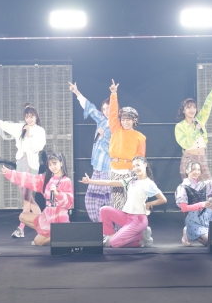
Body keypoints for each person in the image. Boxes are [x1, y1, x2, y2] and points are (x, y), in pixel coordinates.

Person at [0, 103, 46, 238]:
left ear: (36, 117)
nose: (29, 119)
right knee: (29, 199)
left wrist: (28, 135)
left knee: (26, 199)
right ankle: (44, 225)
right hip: (21, 164)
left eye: (31, 116)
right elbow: (2, 124)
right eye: (27, 117)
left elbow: (38, 147)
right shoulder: (20, 128)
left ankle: (21, 228)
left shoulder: (39, 131)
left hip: (31, 166)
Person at [79, 156, 166, 248]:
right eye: (133, 166)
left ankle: (141, 235)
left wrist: (149, 204)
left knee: (114, 243)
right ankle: (110, 237)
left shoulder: (148, 183)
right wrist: (90, 181)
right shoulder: (132, 180)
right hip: (127, 217)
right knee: (104, 210)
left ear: (145, 165)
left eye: (138, 165)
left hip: (138, 220)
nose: (135, 168)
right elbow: (110, 183)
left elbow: (163, 199)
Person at [174, 73, 212, 212]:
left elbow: (208, 104)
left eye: (194, 107)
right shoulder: (180, 126)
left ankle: (210, 217)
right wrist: (196, 131)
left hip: (202, 158)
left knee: (211, 189)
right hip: (189, 159)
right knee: (191, 192)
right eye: (188, 107)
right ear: (183, 110)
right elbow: (185, 143)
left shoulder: (200, 119)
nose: (192, 110)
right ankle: (192, 220)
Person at [1, 153, 73, 246]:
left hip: (58, 220)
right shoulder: (46, 179)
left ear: (61, 163)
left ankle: (62, 234)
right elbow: (29, 178)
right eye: (50, 164)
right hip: (46, 217)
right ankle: (51, 233)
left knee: (37, 242)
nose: (52, 167)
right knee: (22, 217)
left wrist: (58, 194)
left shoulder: (66, 180)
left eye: (55, 163)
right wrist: (10, 173)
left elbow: (68, 204)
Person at [68, 81, 112, 222]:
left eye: (108, 108)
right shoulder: (102, 121)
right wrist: (77, 92)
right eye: (104, 109)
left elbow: (114, 149)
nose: (105, 111)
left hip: (108, 168)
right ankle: (100, 224)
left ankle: (113, 226)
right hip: (98, 167)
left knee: (110, 199)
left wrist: (103, 137)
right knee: (92, 198)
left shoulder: (117, 125)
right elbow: (90, 108)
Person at [107, 79, 146, 212]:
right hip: (115, 170)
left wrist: (139, 174)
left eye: (128, 119)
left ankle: (132, 225)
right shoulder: (116, 129)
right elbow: (112, 114)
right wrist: (113, 94)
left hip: (131, 172)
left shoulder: (140, 137)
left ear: (134, 120)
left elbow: (141, 158)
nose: (125, 122)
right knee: (117, 204)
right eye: (123, 119)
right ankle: (119, 226)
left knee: (131, 203)